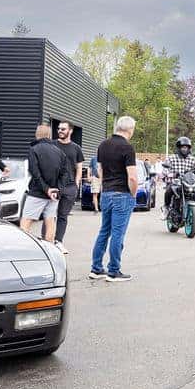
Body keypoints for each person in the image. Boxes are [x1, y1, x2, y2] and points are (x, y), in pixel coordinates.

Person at [90, 116, 138, 282]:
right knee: (118, 233)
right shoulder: (127, 148)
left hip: (107, 193)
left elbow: (100, 169)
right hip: (122, 194)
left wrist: (105, 187)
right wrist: (133, 193)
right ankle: (114, 270)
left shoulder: (103, 145)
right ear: (130, 130)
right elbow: (132, 177)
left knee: (104, 231)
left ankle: (96, 268)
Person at [23, 124, 68, 242]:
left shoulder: (34, 150)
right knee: (50, 222)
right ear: (49, 135)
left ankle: (23, 249)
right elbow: (64, 174)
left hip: (37, 193)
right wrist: (58, 190)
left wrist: (46, 189)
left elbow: (35, 172)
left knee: (25, 222)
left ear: (37, 134)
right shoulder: (60, 152)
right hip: (54, 195)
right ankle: (50, 249)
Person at [51, 120, 83, 254]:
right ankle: (47, 241)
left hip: (70, 187)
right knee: (50, 215)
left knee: (63, 215)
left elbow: (79, 167)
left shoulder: (76, 148)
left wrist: (76, 185)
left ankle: (58, 241)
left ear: (70, 131)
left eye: (63, 129)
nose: (60, 131)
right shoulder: (52, 145)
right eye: (59, 129)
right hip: (54, 186)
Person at [162, 136, 195, 218]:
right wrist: (172, 174)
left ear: (189, 149)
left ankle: (193, 208)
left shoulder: (193, 159)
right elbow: (165, 170)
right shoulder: (171, 158)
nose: (185, 149)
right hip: (176, 182)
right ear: (179, 148)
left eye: (186, 147)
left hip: (188, 183)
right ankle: (166, 208)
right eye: (183, 147)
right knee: (169, 191)